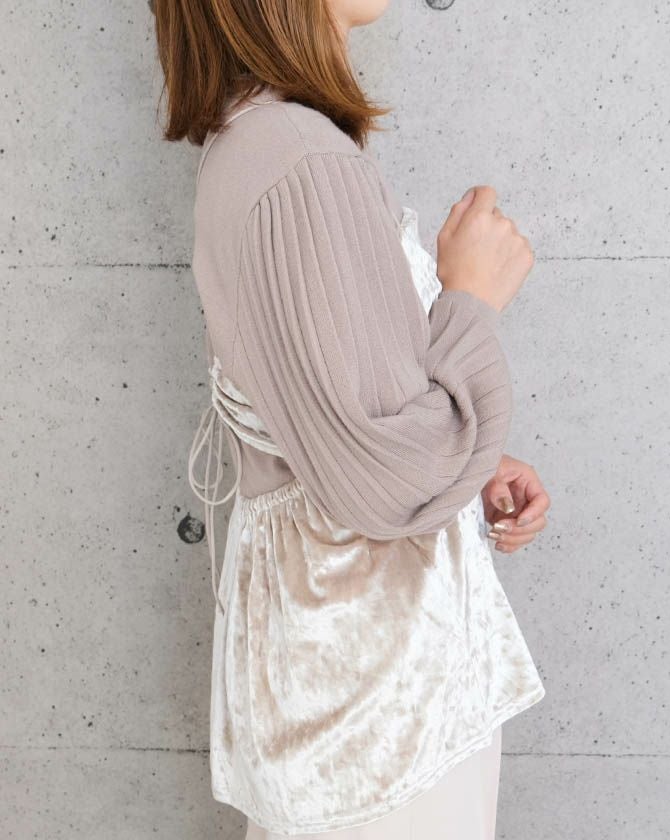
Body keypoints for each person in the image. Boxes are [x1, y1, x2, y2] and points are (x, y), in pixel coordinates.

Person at [152, 0, 551, 837]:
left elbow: (333, 422)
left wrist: (469, 459)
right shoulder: (301, 162)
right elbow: (390, 485)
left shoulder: (258, 141)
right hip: (381, 701)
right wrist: (471, 300)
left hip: (342, 683)